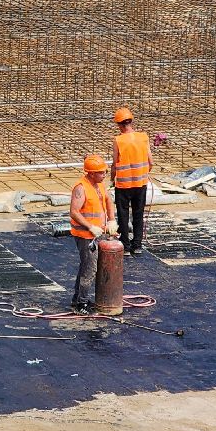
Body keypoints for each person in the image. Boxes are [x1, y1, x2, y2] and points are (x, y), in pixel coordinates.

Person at [68, 154, 111, 314]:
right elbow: (74, 212)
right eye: (101, 172)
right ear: (91, 173)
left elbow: (108, 200)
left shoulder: (99, 185)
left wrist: (111, 221)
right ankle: (81, 304)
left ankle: (78, 299)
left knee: (86, 267)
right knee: (89, 269)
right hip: (86, 236)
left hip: (96, 234)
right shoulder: (81, 188)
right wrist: (90, 226)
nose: (104, 174)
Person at [110, 106, 152, 255]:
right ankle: (137, 245)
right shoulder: (143, 137)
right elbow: (150, 162)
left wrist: (111, 179)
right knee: (138, 213)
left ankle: (125, 246)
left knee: (123, 214)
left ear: (120, 125)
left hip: (123, 184)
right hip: (140, 183)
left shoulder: (118, 140)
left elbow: (115, 164)